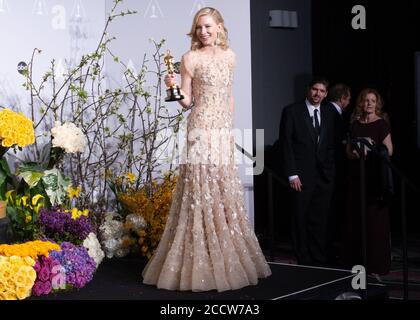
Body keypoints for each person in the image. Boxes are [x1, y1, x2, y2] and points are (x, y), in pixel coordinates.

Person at [142, 7, 271, 292]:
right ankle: (199, 263)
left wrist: (228, 128)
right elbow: (188, 101)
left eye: (208, 27)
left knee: (222, 189)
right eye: (199, 27)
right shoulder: (190, 58)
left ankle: (224, 260)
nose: (203, 32)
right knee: (200, 190)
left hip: (222, 131)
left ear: (220, 27)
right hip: (200, 129)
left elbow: (230, 96)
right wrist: (173, 87)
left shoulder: (230, 57)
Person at [279, 77, 336, 266]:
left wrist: (330, 171)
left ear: (326, 94)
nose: (317, 94)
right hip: (300, 177)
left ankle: (319, 258)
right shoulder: (292, 111)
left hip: (323, 177)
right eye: (314, 89)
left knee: (319, 219)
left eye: (321, 91)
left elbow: (331, 144)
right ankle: (303, 259)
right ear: (308, 90)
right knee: (300, 218)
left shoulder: (329, 113)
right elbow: (286, 144)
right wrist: (292, 174)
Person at [341, 88, 393, 275]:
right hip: (356, 177)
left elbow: (389, 151)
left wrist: (372, 150)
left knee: (374, 222)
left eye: (372, 100)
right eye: (365, 100)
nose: (369, 103)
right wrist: (354, 154)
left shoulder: (381, 124)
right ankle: (356, 264)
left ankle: (376, 265)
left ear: (377, 104)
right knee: (356, 221)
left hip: (375, 178)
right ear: (361, 103)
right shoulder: (355, 124)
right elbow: (347, 151)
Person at [324, 83, 351, 265]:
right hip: (332, 170)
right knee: (329, 210)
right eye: (348, 99)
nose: (348, 103)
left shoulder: (328, 112)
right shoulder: (333, 114)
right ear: (342, 99)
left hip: (331, 170)